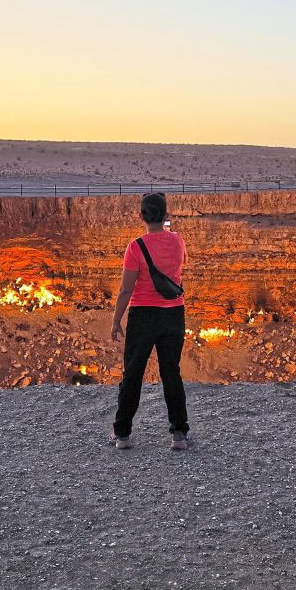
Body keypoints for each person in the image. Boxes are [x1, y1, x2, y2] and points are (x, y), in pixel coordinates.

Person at [110, 192, 189, 451]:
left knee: (133, 373)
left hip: (143, 314)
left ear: (141, 215)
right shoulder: (178, 242)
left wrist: (116, 321)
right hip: (173, 314)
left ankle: (123, 435)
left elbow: (125, 290)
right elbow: (175, 267)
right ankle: (178, 434)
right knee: (171, 372)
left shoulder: (135, 247)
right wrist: (166, 227)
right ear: (166, 216)